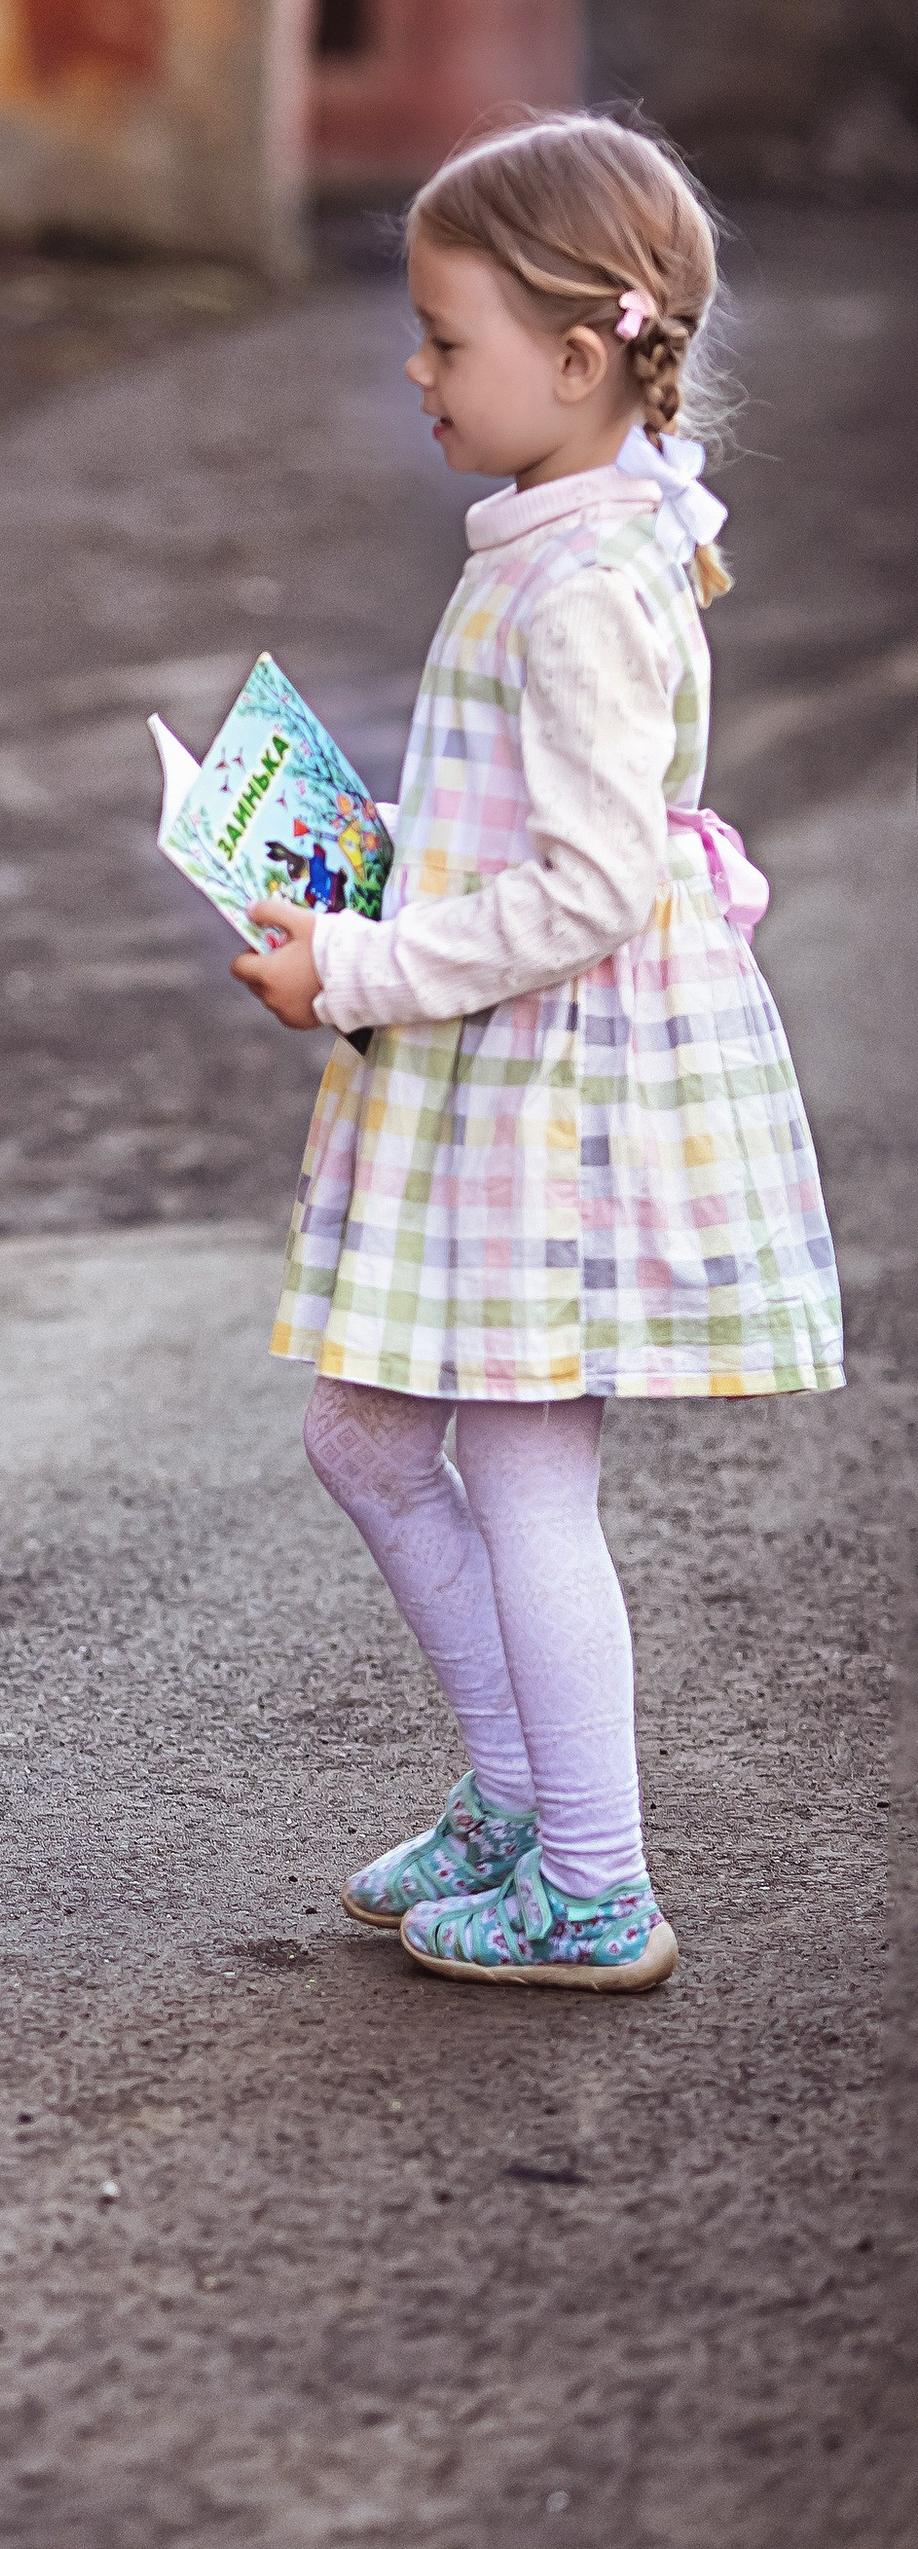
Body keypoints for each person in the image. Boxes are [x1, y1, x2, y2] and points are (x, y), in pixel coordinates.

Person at [235, 114, 842, 1995]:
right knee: (362, 1432)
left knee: (517, 1475)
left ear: (576, 359)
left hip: (549, 1091)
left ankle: (587, 1875)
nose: (413, 372)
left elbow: (584, 882)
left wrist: (360, 960)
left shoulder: (582, 581)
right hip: (495, 1069)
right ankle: (513, 1794)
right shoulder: (561, 534)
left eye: (441, 337)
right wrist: (358, 877)